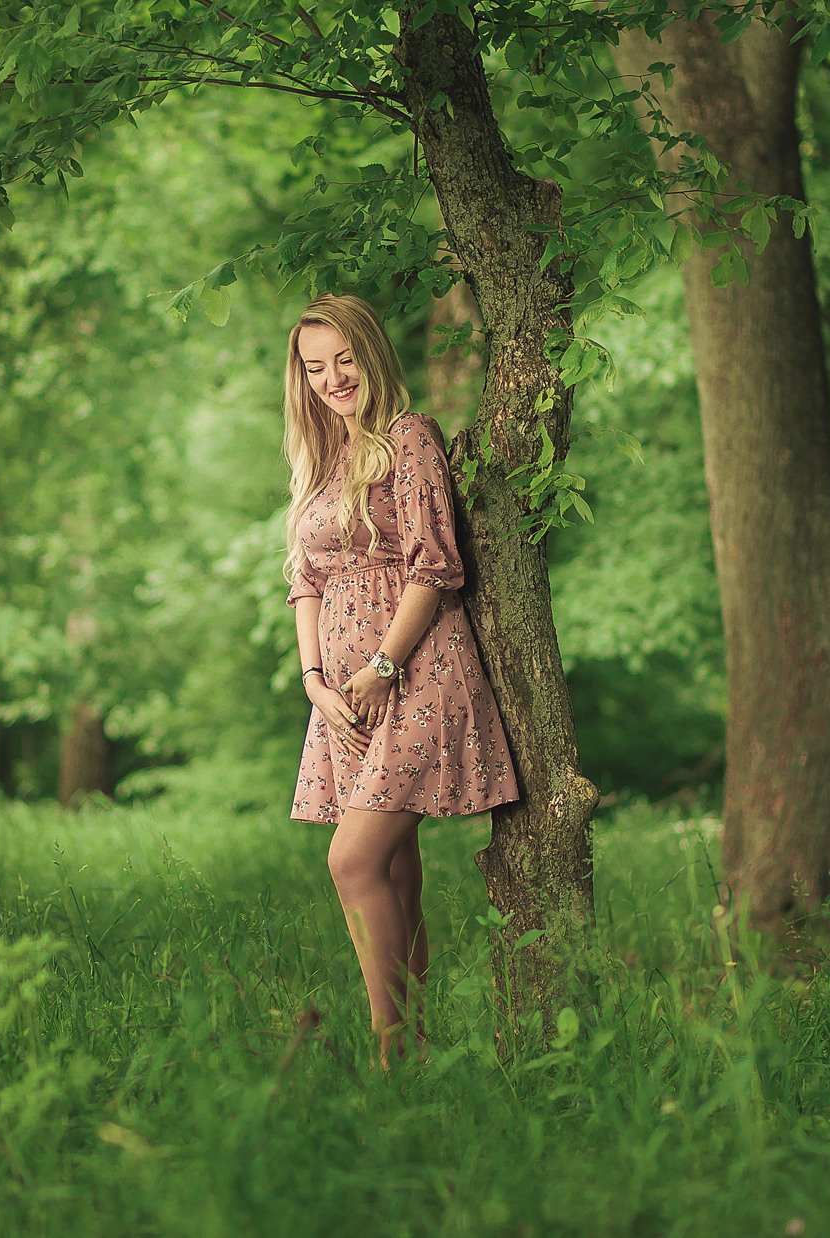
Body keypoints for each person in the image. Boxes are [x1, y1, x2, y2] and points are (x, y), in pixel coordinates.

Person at [282, 292, 521, 1067]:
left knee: (351, 861)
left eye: (344, 359)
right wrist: (315, 680)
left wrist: (384, 665)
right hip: (343, 697)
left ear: (373, 353)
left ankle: (391, 1055)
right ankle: (416, 1055)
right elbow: (304, 582)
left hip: (417, 671)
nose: (332, 379)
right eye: (315, 367)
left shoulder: (408, 438)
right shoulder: (318, 462)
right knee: (391, 869)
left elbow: (434, 563)